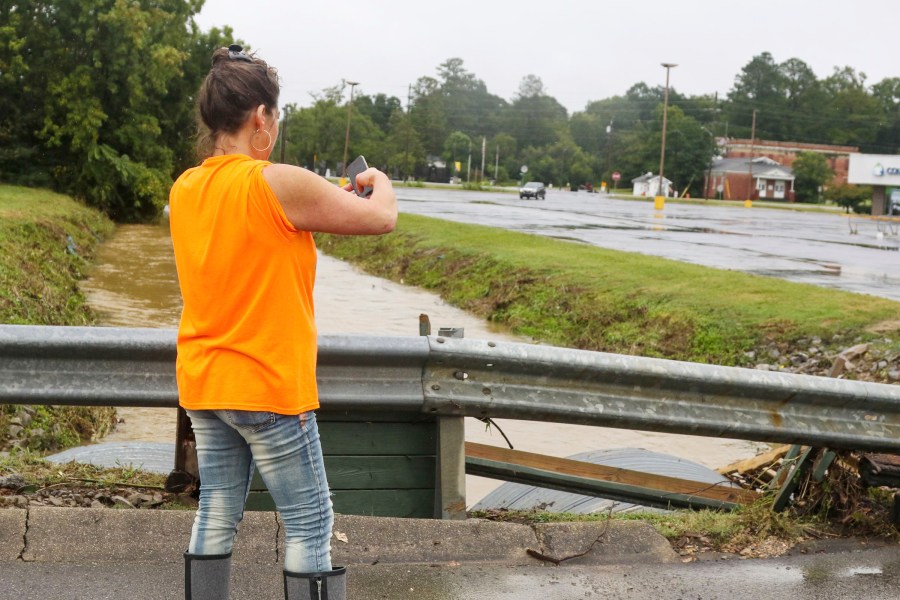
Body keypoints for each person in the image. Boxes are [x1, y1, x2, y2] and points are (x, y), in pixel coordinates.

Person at [168, 44, 397, 600]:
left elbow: (253, 232)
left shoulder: (186, 188)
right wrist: (380, 182)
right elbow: (380, 218)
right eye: (276, 115)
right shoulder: (276, 182)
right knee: (309, 520)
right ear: (260, 117)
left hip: (206, 382)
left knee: (217, 510)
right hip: (268, 385)